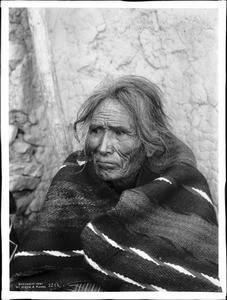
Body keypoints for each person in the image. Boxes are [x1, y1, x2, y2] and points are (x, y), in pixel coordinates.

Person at [11, 75, 220, 292]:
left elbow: (195, 279)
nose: (102, 147)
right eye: (96, 130)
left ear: (149, 143)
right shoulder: (75, 175)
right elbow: (36, 270)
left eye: (120, 133)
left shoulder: (180, 183)